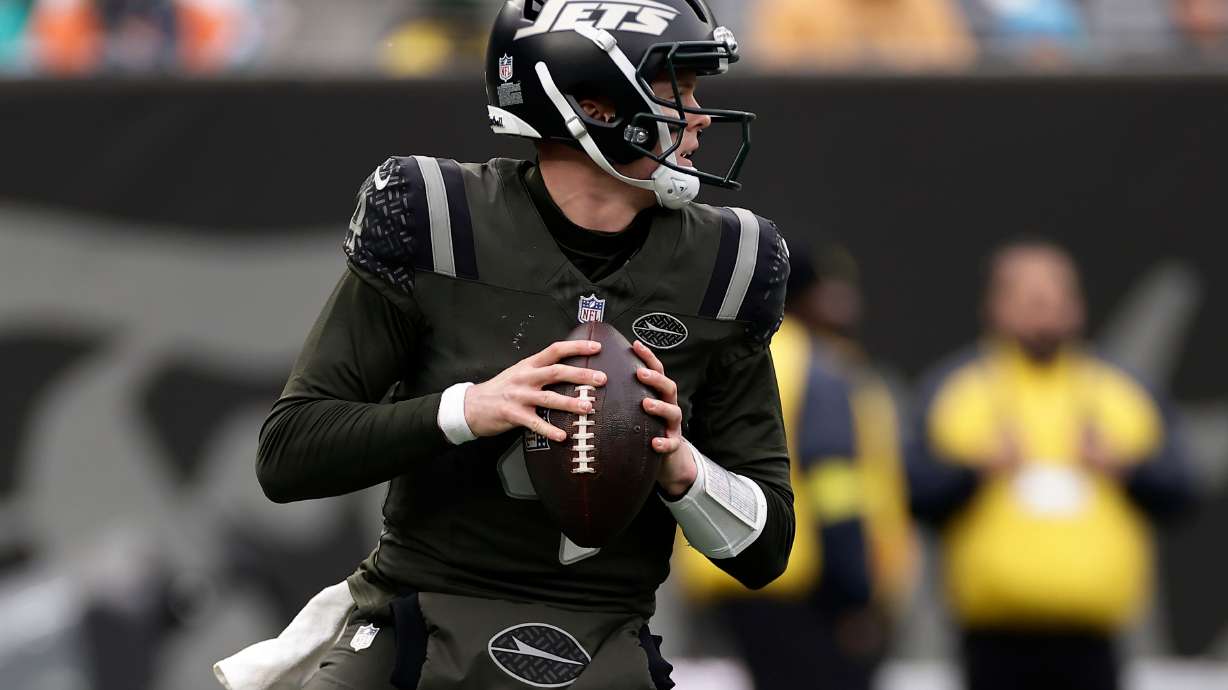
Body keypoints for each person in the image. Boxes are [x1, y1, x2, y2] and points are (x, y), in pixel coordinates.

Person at [213, 2, 794, 689]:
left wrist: (682, 469)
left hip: (602, 628)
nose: (698, 116)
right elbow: (288, 455)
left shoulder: (728, 262)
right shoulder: (437, 219)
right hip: (418, 617)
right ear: (595, 105)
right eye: (679, 91)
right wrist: (467, 410)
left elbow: (767, 550)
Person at [907, 239, 1192, 690]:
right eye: (1029, 298)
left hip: (1094, 638)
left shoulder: (1124, 393)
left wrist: (1128, 468)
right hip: (993, 639)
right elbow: (912, 493)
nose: (1044, 309)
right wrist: (972, 472)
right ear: (996, 305)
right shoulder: (954, 390)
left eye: (1056, 296)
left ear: (1076, 304)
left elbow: (1182, 490)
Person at [673, 243, 916, 690]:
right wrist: (854, 593)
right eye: (832, 290)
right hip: (794, 579)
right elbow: (834, 483)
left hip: (716, 563)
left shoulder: (726, 351)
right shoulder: (818, 365)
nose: (847, 304)